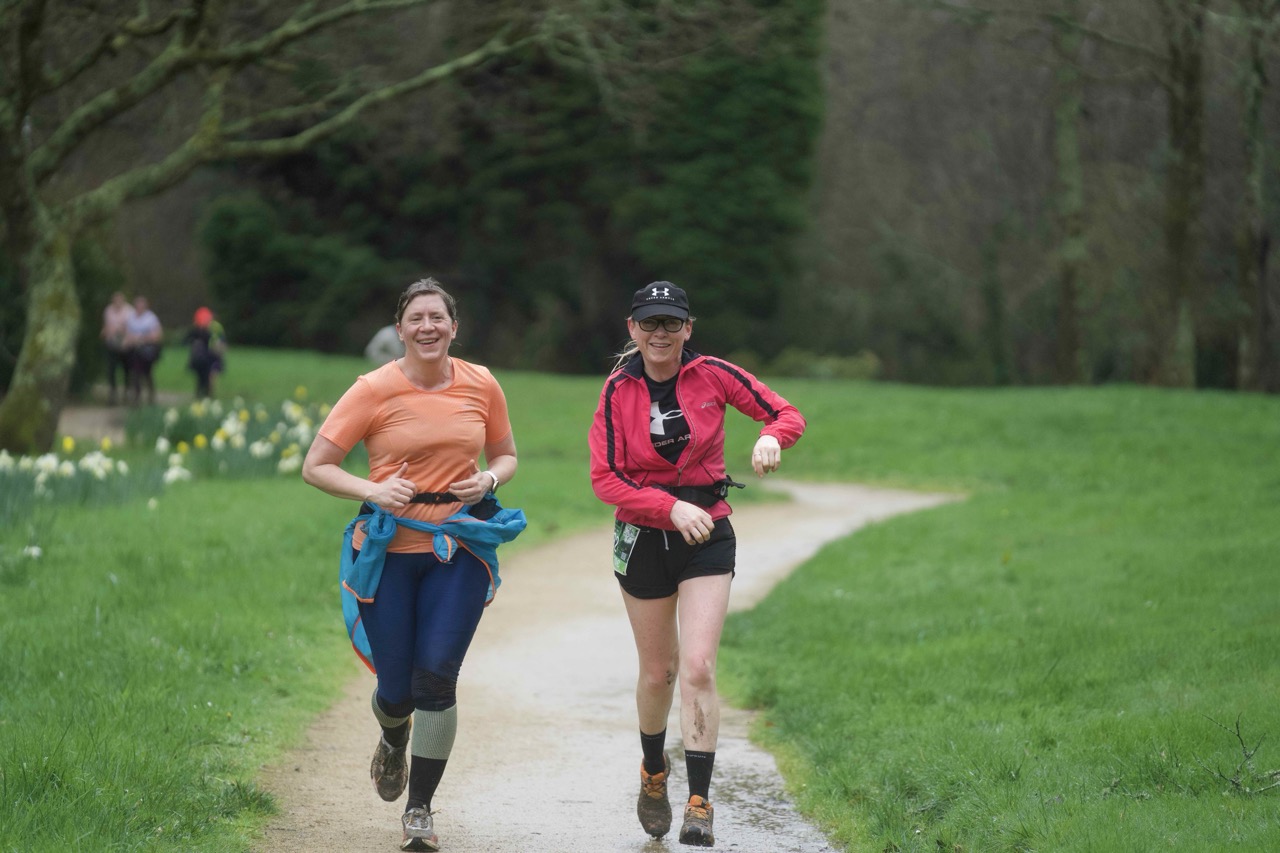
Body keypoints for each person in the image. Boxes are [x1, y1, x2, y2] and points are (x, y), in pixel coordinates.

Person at [302, 278, 523, 852]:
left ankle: (419, 810)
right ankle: (393, 738)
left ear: (454, 327)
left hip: (458, 548)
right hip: (391, 553)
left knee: (437, 677)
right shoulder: (373, 389)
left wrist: (489, 478)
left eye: (438, 318)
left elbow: (505, 454)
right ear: (400, 329)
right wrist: (371, 490)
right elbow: (317, 465)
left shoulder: (481, 383)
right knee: (397, 691)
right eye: (417, 319)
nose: (428, 327)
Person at [588, 282, 806, 848]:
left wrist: (772, 437)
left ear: (688, 328)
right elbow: (605, 479)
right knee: (658, 673)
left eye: (671, 323)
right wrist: (668, 507)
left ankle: (700, 803)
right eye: (649, 323)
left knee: (700, 667)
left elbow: (786, 413)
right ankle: (653, 770)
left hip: (708, 534)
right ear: (632, 328)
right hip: (642, 538)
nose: (660, 333)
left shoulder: (714, 374)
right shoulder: (618, 389)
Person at [122, 295, 163, 405]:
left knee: (147, 373)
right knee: (135, 373)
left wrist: (141, 338)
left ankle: (151, 395)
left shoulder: (151, 318)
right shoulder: (131, 318)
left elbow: (156, 336)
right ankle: (137, 396)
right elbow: (127, 334)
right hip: (134, 350)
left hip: (147, 350)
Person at [100, 291, 135, 405]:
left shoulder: (130, 311)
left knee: (127, 369)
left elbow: (132, 327)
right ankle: (113, 393)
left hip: (126, 344)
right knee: (111, 369)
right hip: (112, 343)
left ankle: (127, 391)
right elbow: (107, 325)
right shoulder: (108, 311)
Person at [184, 306, 227, 398]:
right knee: (202, 377)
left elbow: (221, 344)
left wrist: (218, 349)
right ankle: (202, 394)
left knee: (211, 376)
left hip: (213, 357)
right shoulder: (196, 331)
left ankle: (208, 395)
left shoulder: (215, 328)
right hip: (202, 359)